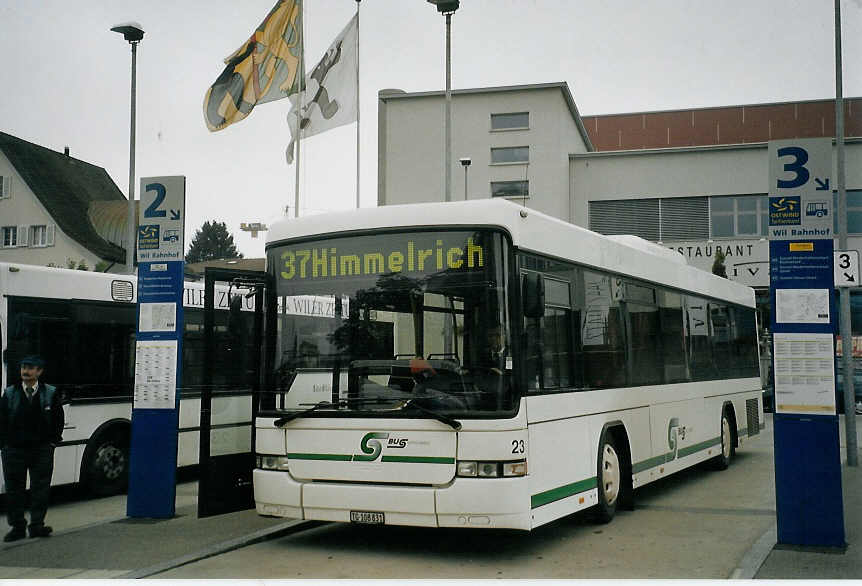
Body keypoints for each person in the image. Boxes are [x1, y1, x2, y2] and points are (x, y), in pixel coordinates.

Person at [0, 356, 64, 542]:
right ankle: (17, 527)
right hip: (14, 450)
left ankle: (37, 525)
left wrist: (53, 442)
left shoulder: (50, 393)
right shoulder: (10, 393)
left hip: (41, 449)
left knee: (40, 488)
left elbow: (58, 419)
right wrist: (4, 444)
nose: (25, 371)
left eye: (30, 368)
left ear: (39, 372)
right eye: (23, 368)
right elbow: (2, 419)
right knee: (14, 490)